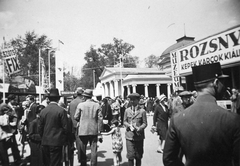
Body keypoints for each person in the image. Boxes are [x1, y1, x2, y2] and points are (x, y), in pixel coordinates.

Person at [163, 62, 240, 166]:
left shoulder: (177, 120)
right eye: (222, 82)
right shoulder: (232, 119)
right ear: (216, 83)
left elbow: (169, 159)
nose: (224, 86)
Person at [38, 88, 68, 166]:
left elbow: (40, 127)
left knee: (47, 162)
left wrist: (43, 137)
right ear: (58, 99)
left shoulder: (43, 111)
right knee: (56, 162)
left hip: (45, 141)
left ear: (49, 99)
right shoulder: (61, 111)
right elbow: (65, 127)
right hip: (57, 141)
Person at [74, 89, 103, 166]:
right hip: (93, 129)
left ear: (84, 96)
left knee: (82, 148)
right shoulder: (97, 105)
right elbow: (100, 118)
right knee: (94, 149)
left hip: (83, 129)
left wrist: (81, 119)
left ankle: (83, 163)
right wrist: (100, 130)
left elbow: (76, 117)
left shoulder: (80, 105)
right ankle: (93, 164)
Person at [124, 93, 147, 166]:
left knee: (138, 156)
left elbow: (145, 123)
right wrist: (128, 125)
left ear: (138, 100)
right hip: (129, 136)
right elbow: (124, 121)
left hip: (139, 137)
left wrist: (140, 128)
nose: (132, 101)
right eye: (131, 100)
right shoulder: (127, 111)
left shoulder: (142, 111)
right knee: (130, 156)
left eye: (134, 100)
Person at [68, 87, 85, 163]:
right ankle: (81, 158)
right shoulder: (82, 102)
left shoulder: (72, 102)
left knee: (76, 141)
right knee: (81, 142)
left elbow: (69, 113)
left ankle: (76, 158)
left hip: (72, 124)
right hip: (80, 124)